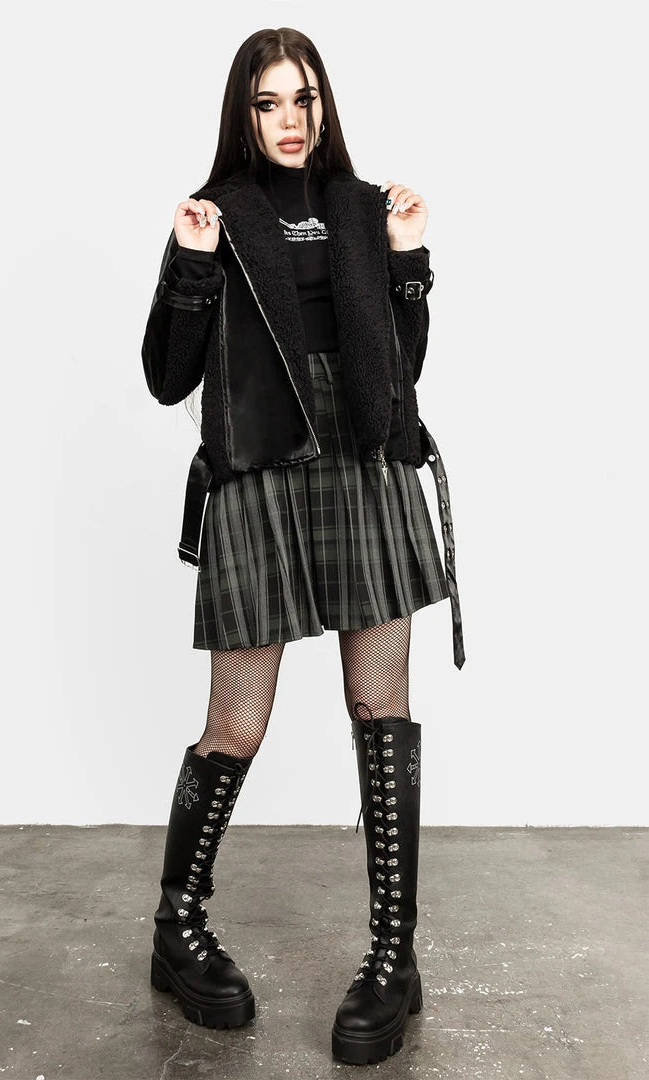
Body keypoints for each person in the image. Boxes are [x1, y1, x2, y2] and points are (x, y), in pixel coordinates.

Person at [140, 26, 466, 1066]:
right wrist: (192, 268)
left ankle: (392, 959)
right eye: (270, 101)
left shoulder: (365, 209)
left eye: (305, 98)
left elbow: (400, 370)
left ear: (325, 106)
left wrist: (408, 262)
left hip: (364, 462)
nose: (292, 119)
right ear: (244, 114)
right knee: (236, 724)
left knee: (382, 710)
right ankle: (177, 928)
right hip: (260, 465)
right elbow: (167, 374)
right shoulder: (216, 213)